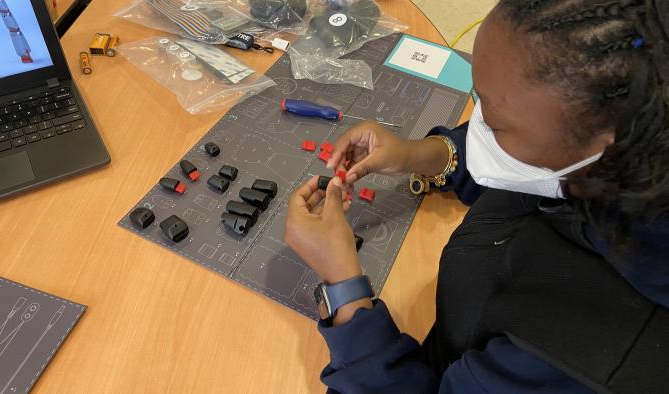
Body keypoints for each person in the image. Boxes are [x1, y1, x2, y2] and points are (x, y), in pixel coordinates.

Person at [284, 0, 669, 392]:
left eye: (495, 124)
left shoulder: (578, 362)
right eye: (479, 100)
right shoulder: (612, 149)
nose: (478, 122)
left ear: (606, 151)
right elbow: (538, 132)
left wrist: (343, 289)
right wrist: (424, 155)